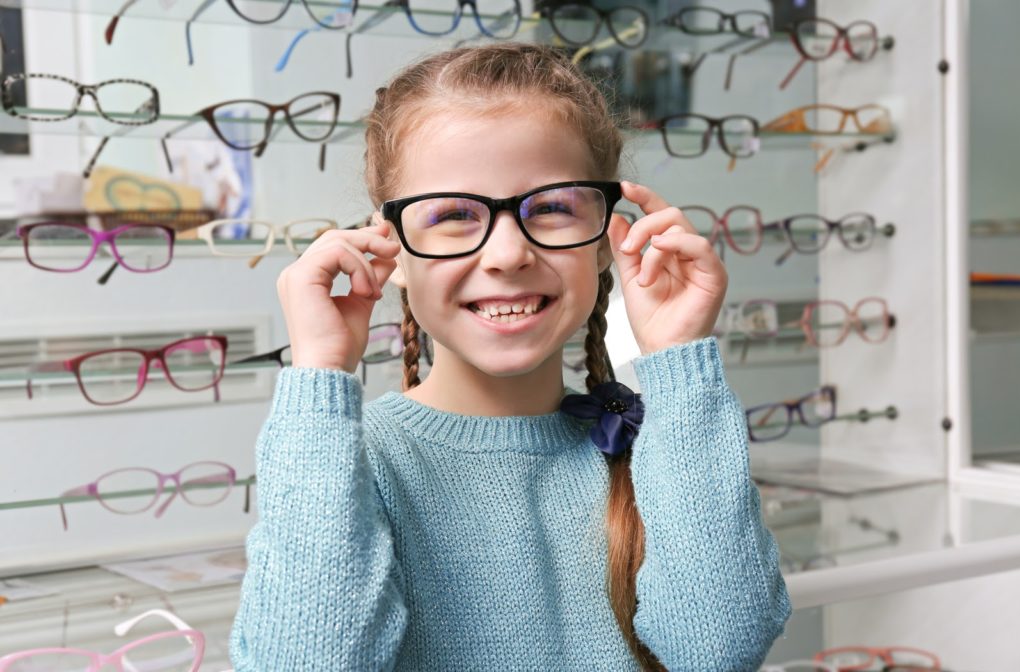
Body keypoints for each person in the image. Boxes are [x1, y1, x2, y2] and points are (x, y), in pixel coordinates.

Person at [229, 43, 791, 671]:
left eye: (550, 207)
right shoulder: (344, 459)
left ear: (609, 238)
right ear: (389, 250)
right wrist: (318, 376)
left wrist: (680, 362)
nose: (506, 255)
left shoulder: (661, 442)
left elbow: (720, 650)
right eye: (451, 215)